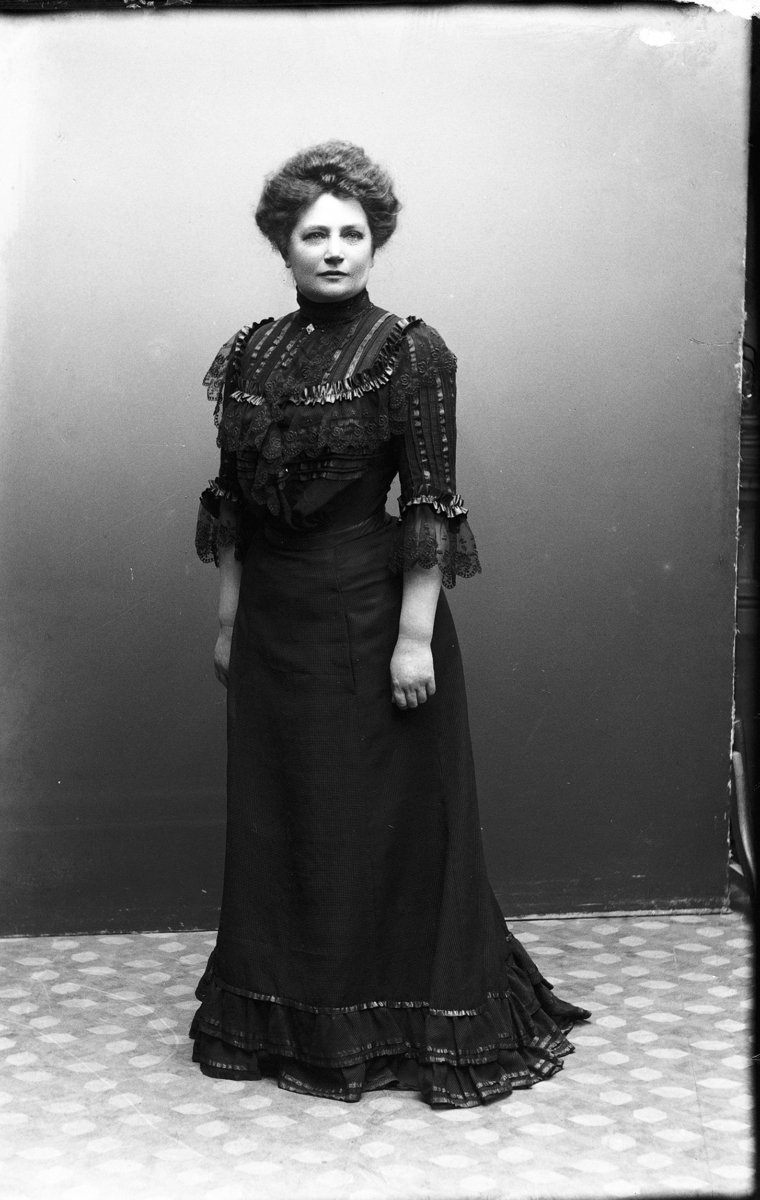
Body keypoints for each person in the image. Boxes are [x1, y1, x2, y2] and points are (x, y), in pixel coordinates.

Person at [189, 141, 590, 1107]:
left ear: (376, 244)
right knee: (288, 810)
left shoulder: (411, 350)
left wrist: (415, 637)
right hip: (276, 616)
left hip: (373, 613)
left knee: (377, 814)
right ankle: (295, 1012)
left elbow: (431, 503)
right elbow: (232, 500)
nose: (334, 249)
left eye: (351, 234)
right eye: (313, 234)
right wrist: (229, 619)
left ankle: (396, 1014)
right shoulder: (248, 353)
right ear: (283, 246)